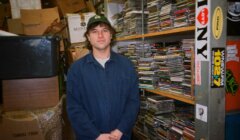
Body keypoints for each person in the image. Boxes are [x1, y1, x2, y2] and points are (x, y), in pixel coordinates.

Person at [66, 14, 140, 140]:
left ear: (111, 35)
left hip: (120, 136)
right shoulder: (76, 70)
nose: (100, 36)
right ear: (88, 37)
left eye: (105, 30)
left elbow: (133, 101)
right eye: (94, 31)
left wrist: (120, 129)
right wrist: (95, 135)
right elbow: (74, 107)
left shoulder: (126, 66)